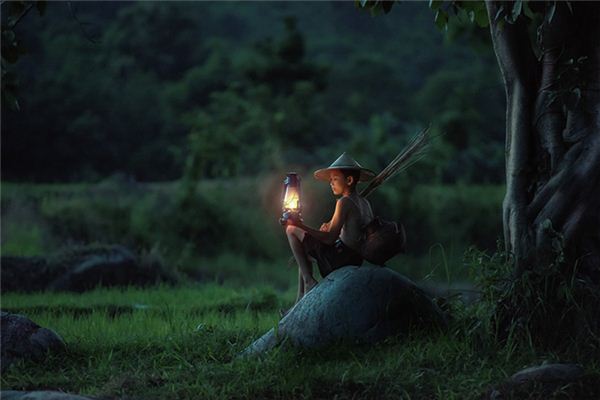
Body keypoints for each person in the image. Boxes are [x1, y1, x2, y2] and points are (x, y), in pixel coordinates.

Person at [283, 153, 375, 312]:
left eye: (335, 179)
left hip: (339, 259)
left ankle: (309, 282)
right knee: (304, 258)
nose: (331, 183)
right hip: (354, 258)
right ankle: (299, 302)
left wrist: (301, 225)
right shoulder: (364, 203)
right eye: (330, 180)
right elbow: (353, 235)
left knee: (291, 229)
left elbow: (330, 239)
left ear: (349, 180)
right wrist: (330, 229)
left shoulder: (344, 202)